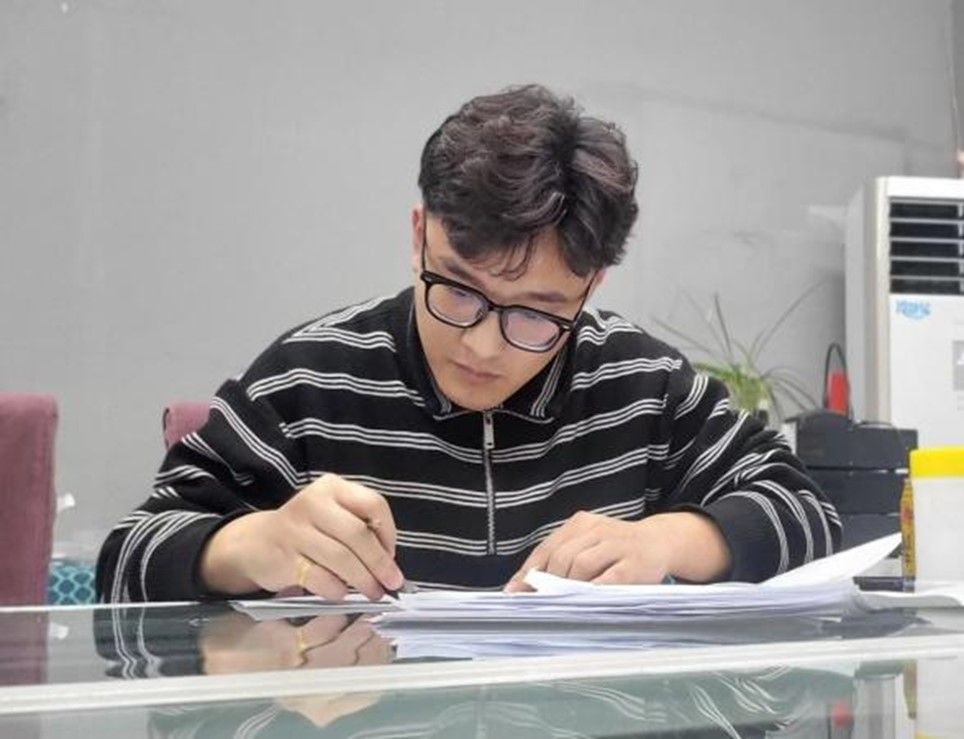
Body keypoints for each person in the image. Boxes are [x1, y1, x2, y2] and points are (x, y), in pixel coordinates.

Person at [96, 84, 841, 603]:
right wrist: (250, 545)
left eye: (537, 314)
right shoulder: (309, 379)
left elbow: (809, 516)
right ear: (419, 233)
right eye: (457, 289)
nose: (483, 347)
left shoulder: (642, 384)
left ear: (591, 286)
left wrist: (669, 543)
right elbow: (126, 559)